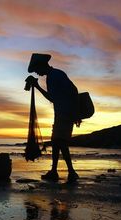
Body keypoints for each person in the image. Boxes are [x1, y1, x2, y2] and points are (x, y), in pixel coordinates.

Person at [26, 53, 79, 183]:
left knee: (60, 142)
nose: (37, 73)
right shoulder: (56, 74)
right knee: (56, 142)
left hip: (64, 113)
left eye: (37, 69)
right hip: (63, 112)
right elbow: (73, 90)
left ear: (42, 65)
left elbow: (52, 98)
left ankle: (71, 172)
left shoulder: (54, 76)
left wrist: (37, 86)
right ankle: (54, 171)